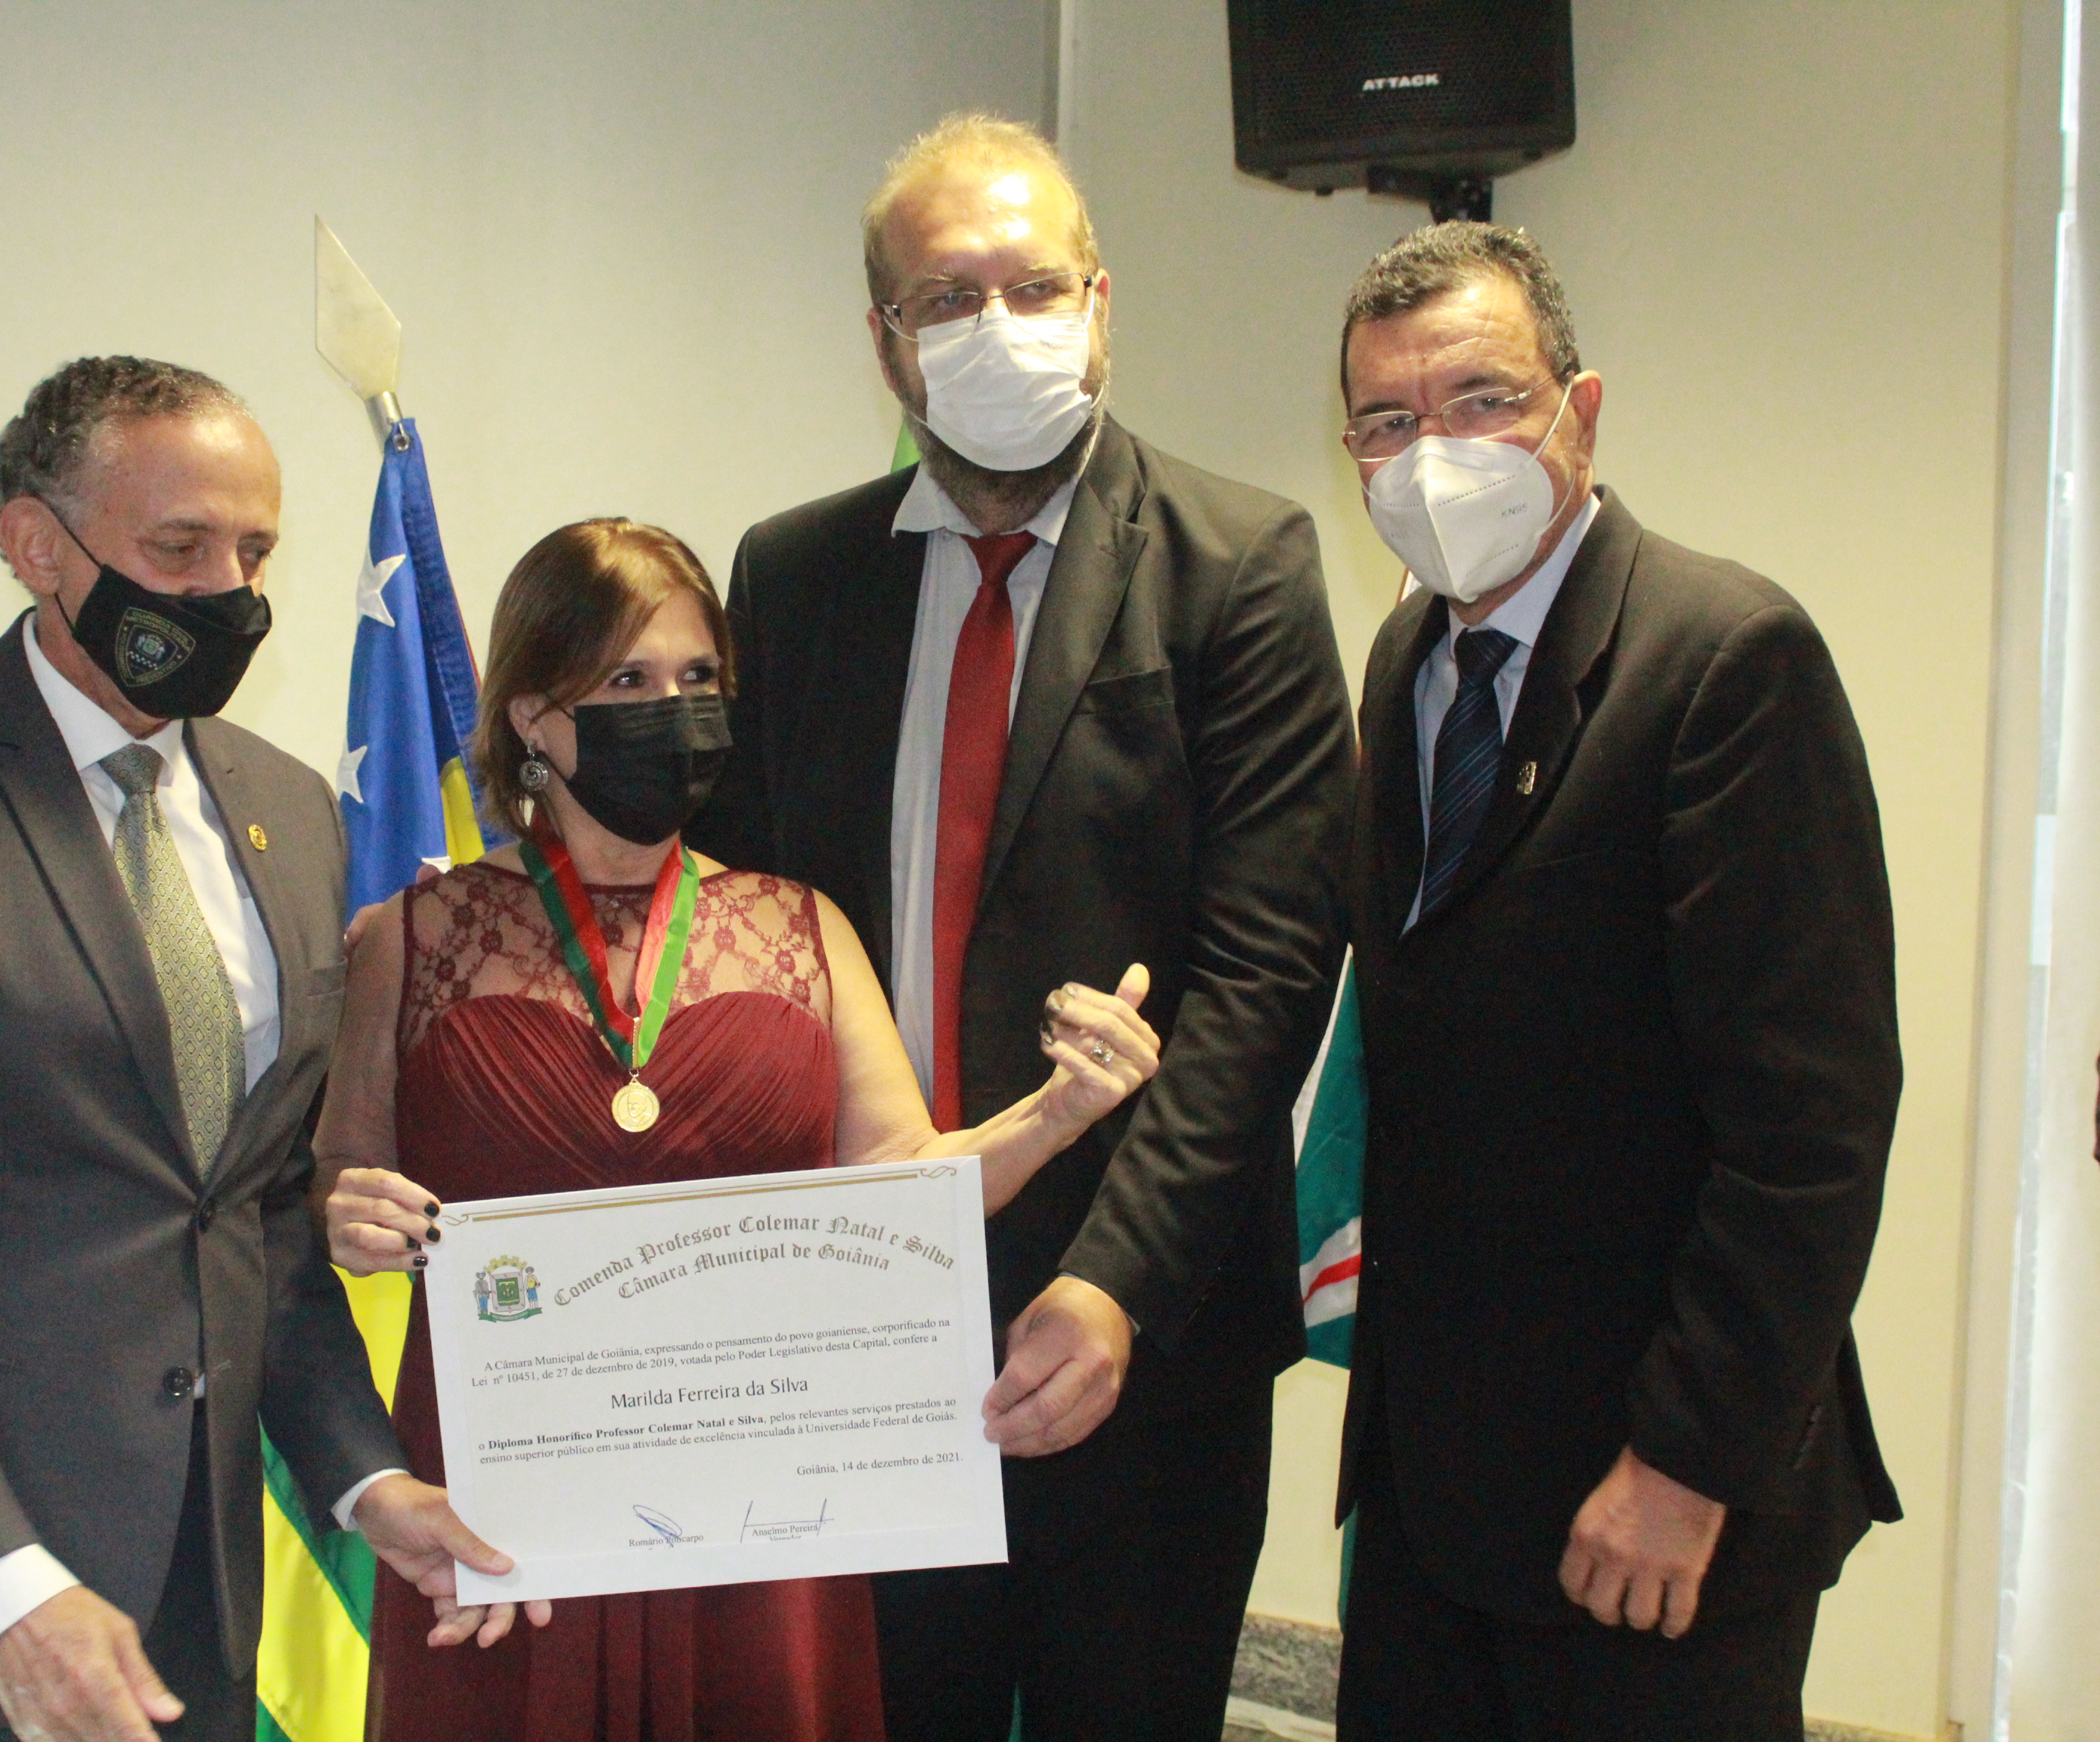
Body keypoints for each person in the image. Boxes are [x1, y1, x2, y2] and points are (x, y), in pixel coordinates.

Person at [0, 357, 501, 1742]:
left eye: (255, 551)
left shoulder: (289, 812)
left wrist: (369, 1481)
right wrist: (1, 1587)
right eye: (178, 547)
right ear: (36, 544)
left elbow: (256, 1215)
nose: (228, 593)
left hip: (192, 1609)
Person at [687, 116, 1357, 1740]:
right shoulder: (794, 576)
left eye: (1036, 287)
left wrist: (1115, 1281)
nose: (999, 327)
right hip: (863, 1327)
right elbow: (745, 940)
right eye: (947, 297)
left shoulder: (1240, 563)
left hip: (1143, 1331)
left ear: (1101, 305)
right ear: (886, 343)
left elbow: (1267, 973)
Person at [315, 516, 1165, 1742]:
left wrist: (1058, 1112)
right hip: (503, 1512)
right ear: (533, 716)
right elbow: (341, 1177)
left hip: (760, 1507)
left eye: (698, 678)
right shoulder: (413, 937)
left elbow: (908, 1185)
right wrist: (350, 1214)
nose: (673, 712)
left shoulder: (802, 926)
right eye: (627, 682)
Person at [1328, 222, 1903, 1740]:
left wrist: (1686, 1464)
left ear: (1580, 413)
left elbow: (1811, 1133)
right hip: (1437, 1492)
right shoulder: (1404, 663)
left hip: (1649, 1504)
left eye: (1482, 400)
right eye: (1386, 422)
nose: (1434, 454)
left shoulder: (1726, 659)